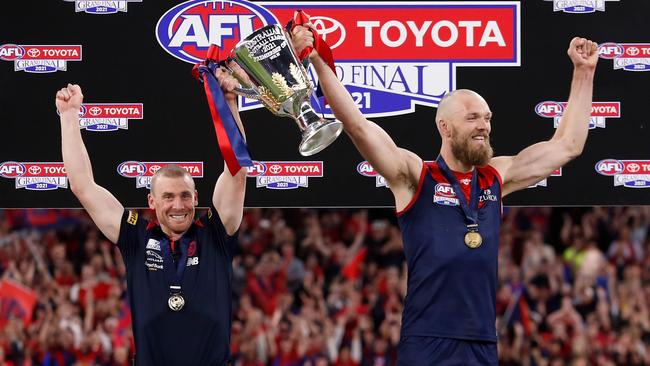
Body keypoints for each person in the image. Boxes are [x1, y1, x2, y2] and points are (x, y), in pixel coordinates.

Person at [292, 26, 598, 365]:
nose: (484, 125)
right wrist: (318, 60)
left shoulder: (497, 176)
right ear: (445, 128)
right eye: (472, 118)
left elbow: (567, 145)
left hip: (482, 341)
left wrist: (584, 72)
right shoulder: (414, 176)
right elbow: (358, 125)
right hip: (427, 341)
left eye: (487, 118)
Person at [55, 65, 248, 365]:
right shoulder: (135, 236)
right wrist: (69, 117)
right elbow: (83, 187)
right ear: (152, 202)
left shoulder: (216, 233)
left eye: (185, 196)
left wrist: (230, 104)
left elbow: (237, 172)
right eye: (168, 197)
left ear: (196, 198)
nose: (178, 205)